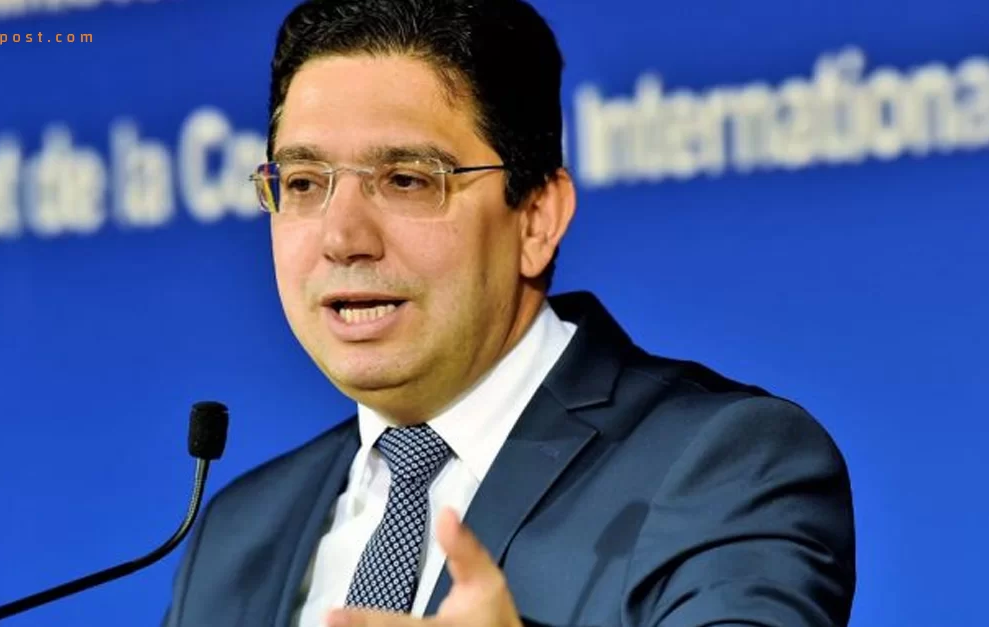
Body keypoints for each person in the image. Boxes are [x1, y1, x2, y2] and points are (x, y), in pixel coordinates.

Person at [161, 0, 856, 625]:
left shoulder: (725, 463)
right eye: (305, 183)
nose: (342, 238)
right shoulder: (237, 533)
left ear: (537, 218)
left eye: (406, 180)